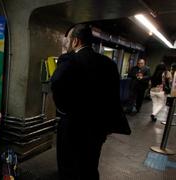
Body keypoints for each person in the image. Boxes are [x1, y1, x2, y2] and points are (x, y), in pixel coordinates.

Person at [51, 24, 131, 180]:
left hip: (73, 125)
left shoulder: (69, 60)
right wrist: (107, 126)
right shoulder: (109, 64)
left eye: (68, 40)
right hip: (97, 127)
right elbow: (113, 97)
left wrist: (64, 109)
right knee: (90, 164)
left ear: (75, 41)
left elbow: (56, 84)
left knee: (68, 165)